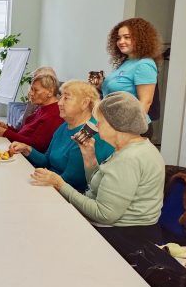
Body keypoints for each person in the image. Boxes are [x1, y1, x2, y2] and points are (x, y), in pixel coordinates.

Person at [31, 91, 165, 244]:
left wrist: (59, 184)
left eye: (100, 120)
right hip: (124, 230)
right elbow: (99, 187)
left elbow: (103, 214)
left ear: (116, 124)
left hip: (124, 237)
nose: (97, 125)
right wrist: (90, 158)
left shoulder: (129, 159)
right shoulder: (133, 148)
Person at [9, 80, 114, 192]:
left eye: (66, 98)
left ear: (84, 103)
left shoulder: (89, 133)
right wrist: (27, 149)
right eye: (61, 97)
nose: (59, 103)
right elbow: (47, 160)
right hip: (52, 186)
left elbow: (72, 181)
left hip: (69, 196)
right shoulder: (64, 126)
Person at [91, 18, 163, 134]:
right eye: (118, 38)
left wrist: (129, 131)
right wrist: (100, 85)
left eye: (127, 37)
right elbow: (116, 92)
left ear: (140, 39)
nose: (121, 41)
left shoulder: (144, 64)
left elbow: (146, 102)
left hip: (131, 129)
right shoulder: (127, 62)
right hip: (115, 124)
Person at [0, 73, 64, 153]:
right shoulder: (42, 107)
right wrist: (6, 128)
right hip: (18, 149)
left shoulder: (54, 114)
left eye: (35, 90)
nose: (31, 93)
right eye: (31, 89)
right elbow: (24, 134)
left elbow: (37, 145)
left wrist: (4, 132)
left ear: (50, 92)